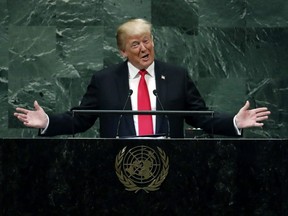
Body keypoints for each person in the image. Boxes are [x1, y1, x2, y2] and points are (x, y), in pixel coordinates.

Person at [14, 18, 271, 138]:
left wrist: (235, 122)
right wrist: (47, 121)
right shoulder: (105, 80)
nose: (144, 49)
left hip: (170, 165)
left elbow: (200, 117)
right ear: (122, 51)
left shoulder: (176, 76)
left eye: (147, 41)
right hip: (117, 165)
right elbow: (80, 119)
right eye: (135, 44)